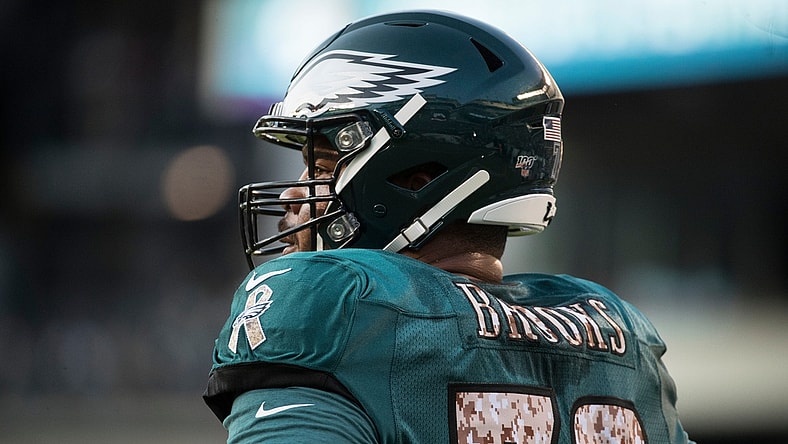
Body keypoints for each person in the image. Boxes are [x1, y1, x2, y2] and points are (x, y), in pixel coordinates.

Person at [204, 9, 694, 443]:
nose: (295, 193)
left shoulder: (334, 309)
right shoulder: (622, 335)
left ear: (416, 177)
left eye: (323, 165)